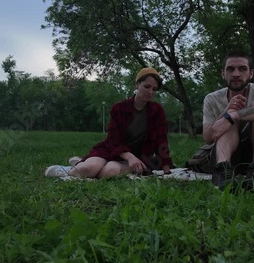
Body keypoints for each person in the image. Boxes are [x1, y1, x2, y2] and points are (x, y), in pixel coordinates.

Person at [45, 68, 173, 179]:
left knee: (110, 172)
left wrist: (167, 171)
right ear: (137, 84)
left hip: (139, 157)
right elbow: (114, 141)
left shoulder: (157, 111)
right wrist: (128, 156)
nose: (150, 92)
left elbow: (162, 141)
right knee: (87, 169)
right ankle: (69, 170)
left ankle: (85, 165)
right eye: (147, 86)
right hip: (113, 150)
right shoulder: (119, 108)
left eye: (154, 89)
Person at [202, 51, 254, 191]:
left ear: (251, 73)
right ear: (223, 73)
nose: (236, 74)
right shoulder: (211, 98)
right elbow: (208, 138)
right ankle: (223, 173)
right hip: (228, 156)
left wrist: (234, 116)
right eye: (230, 69)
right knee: (230, 115)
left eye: (242, 69)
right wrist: (227, 112)